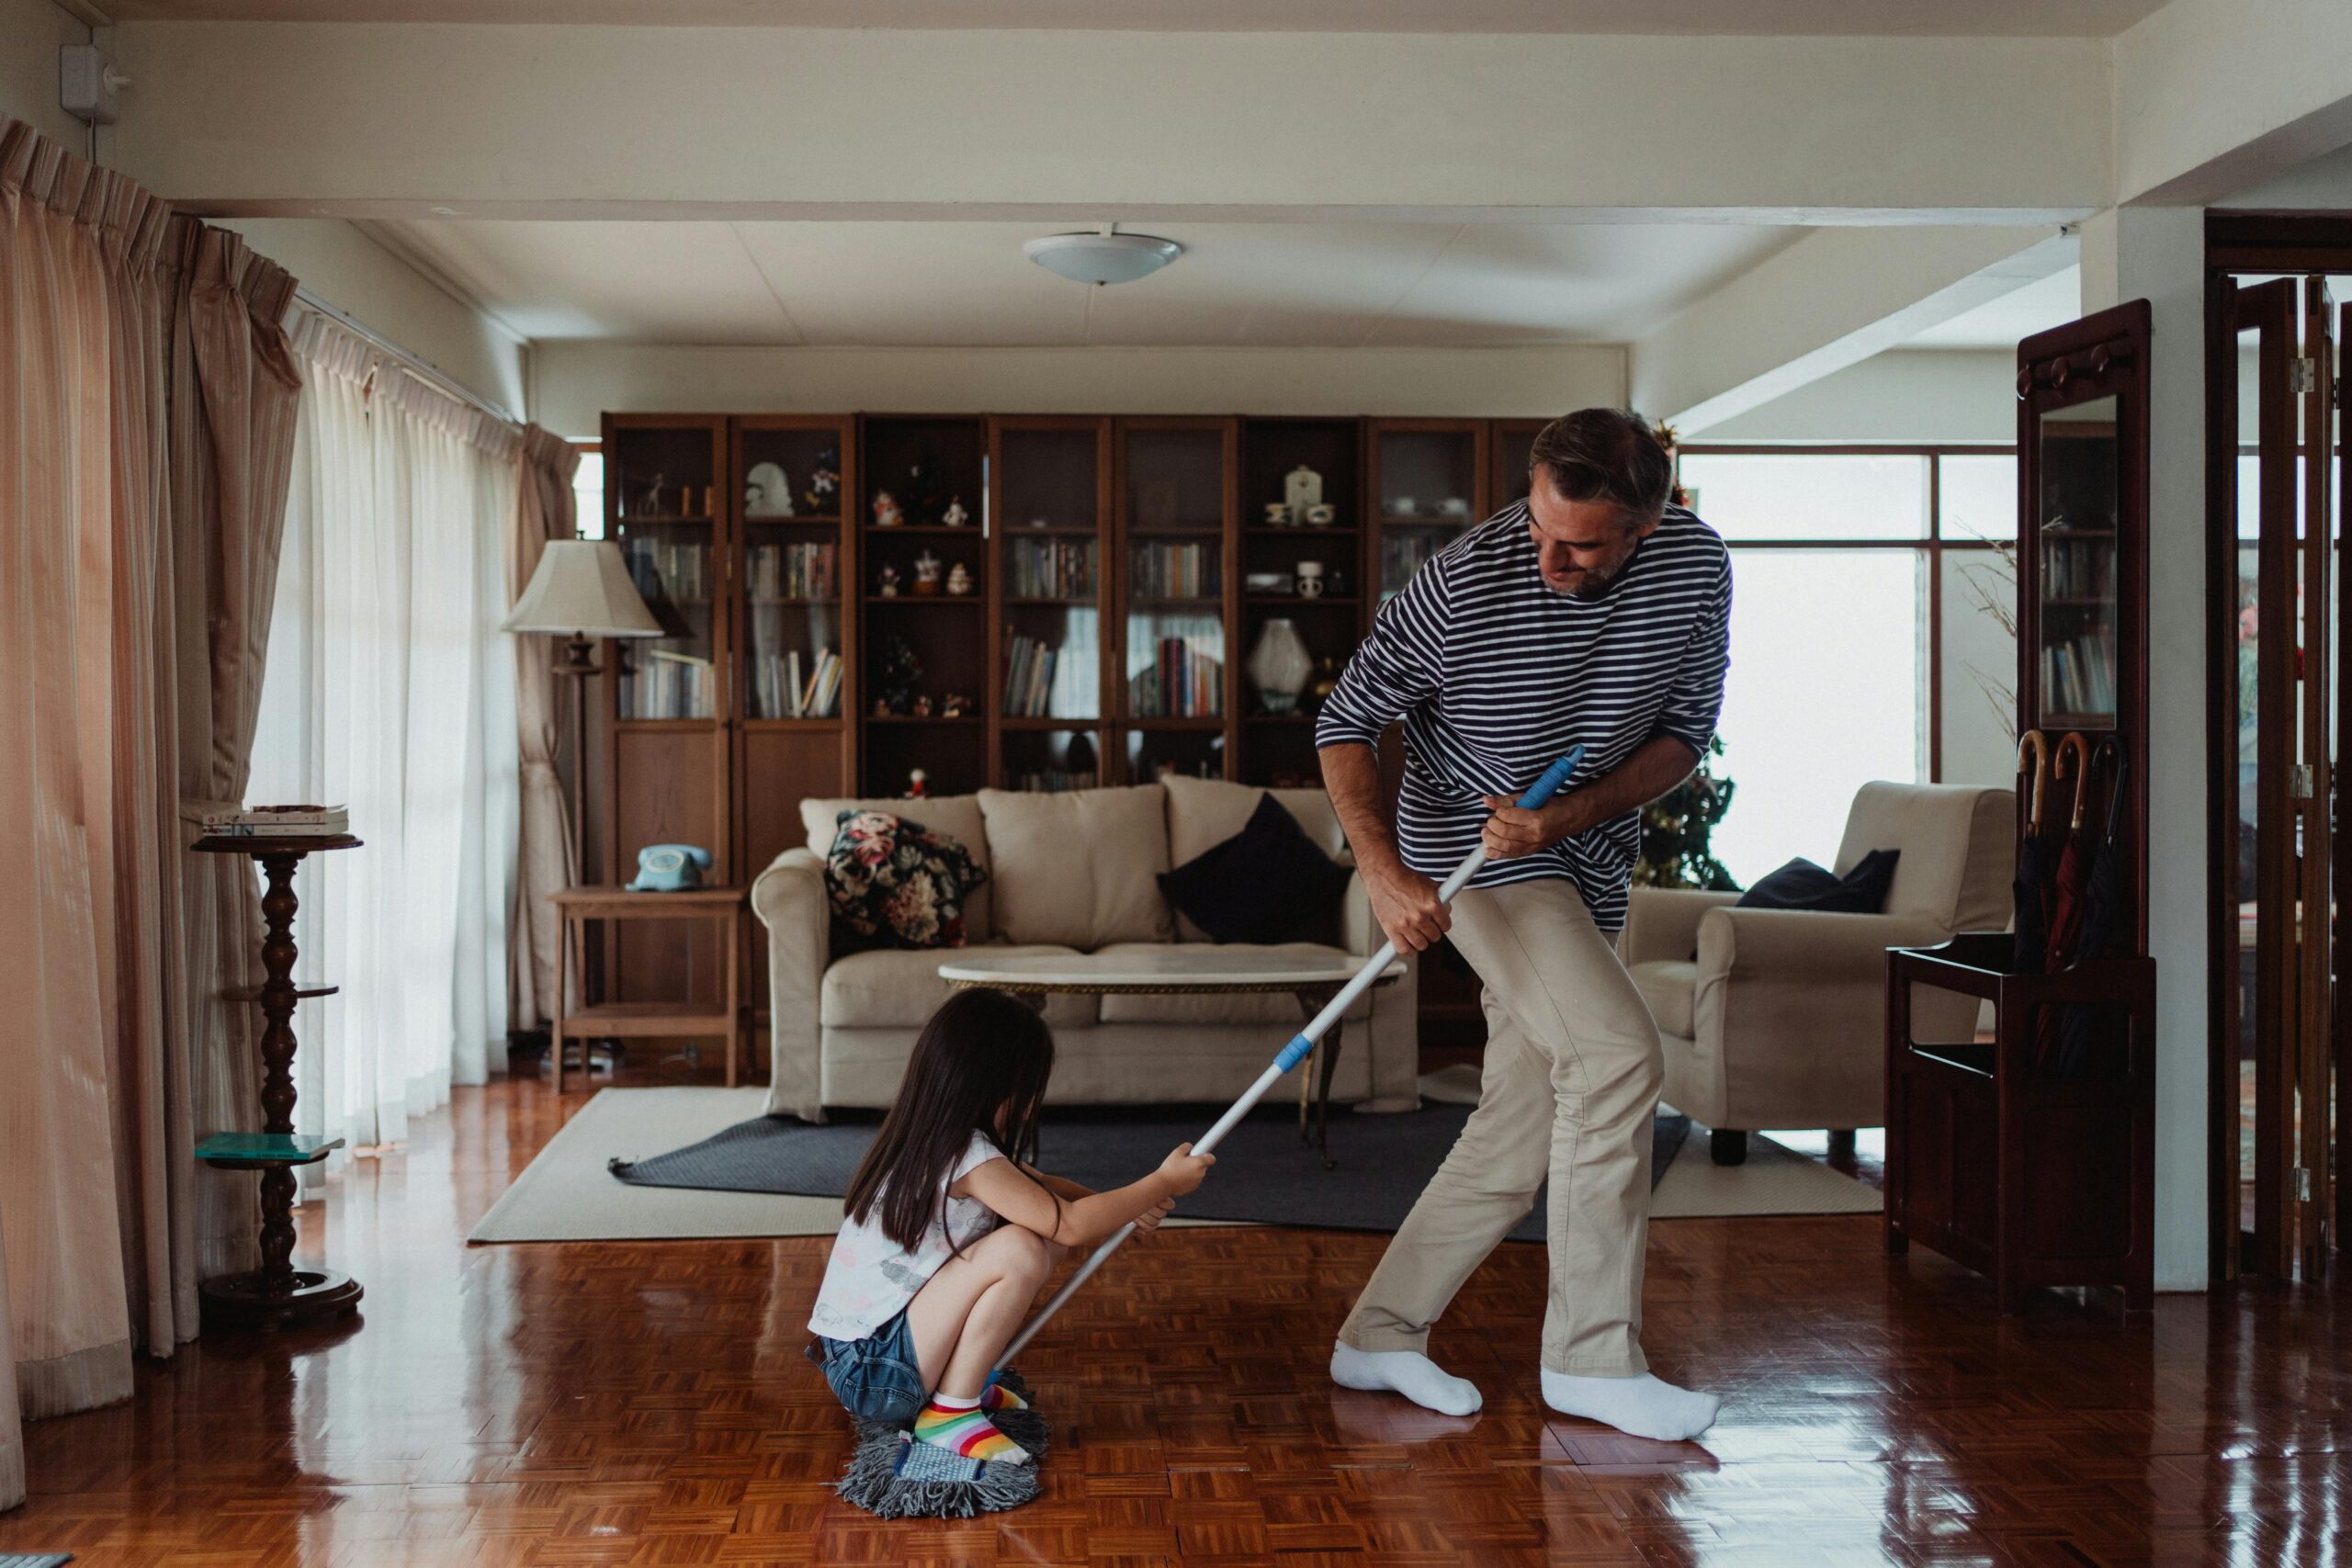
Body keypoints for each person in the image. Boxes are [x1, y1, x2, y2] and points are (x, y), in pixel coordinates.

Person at [1315, 408, 1732, 1443]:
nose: (1545, 555)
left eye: (1577, 542)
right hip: (1472, 847)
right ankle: (1591, 1359)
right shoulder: (1465, 579)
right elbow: (1345, 720)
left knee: (1525, 1109)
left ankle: (1380, 1333)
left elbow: (1685, 731)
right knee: (1615, 1057)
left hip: (1576, 847)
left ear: (1642, 524)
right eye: (1538, 526)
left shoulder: (1695, 568)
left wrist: (1568, 816)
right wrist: (1383, 872)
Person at [808, 987, 1215, 1463]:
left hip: (871, 1356)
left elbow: (1046, 1190)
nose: (1029, 1105)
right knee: (1022, 1245)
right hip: (876, 1371)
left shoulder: (936, 1136)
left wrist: (1131, 1204)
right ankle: (951, 1410)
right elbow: (1069, 1225)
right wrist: (1159, 1181)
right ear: (994, 1083)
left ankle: (954, 1384)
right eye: (1027, 1088)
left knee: (1035, 1228)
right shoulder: (967, 1156)